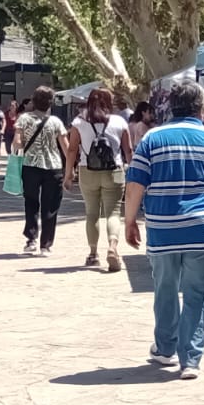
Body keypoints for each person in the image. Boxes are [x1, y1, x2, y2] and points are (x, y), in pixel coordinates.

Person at [124, 81, 204, 379]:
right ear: (202, 108)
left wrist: (129, 221)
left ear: (170, 106)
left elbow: (135, 185)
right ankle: (190, 359)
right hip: (203, 230)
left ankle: (165, 349)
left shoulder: (152, 139)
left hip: (163, 227)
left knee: (165, 289)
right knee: (197, 293)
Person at [65, 87, 132, 272]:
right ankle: (112, 246)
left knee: (92, 213)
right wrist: (133, 173)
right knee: (114, 212)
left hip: (87, 171)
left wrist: (68, 174)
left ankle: (93, 254)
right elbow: (128, 151)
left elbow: (72, 150)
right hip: (114, 171)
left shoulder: (79, 122)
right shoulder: (119, 122)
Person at [14, 86, 68, 256]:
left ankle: (31, 240)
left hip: (30, 166)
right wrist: (71, 168)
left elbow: (17, 143)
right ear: (50, 103)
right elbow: (66, 147)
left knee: (31, 202)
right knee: (50, 206)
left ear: (33, 101)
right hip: (53, 167)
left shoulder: (24, 119)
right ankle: (46, 245)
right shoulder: (56, 122)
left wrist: (23, 147)